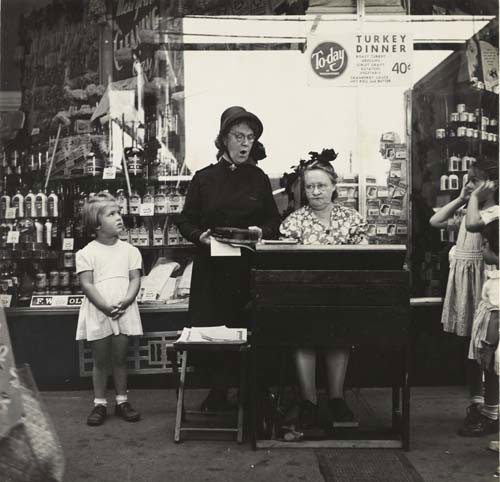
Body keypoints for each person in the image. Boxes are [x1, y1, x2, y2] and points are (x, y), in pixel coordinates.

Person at [175, 106, 281, 411]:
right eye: (238, 136)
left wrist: (261, 231)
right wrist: (200, 237)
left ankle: (252, 390)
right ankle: (218, 390)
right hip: (212, 270)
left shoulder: (259, 178)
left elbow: (274, 221)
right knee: (213, 330)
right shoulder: (204, 178)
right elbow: (185, 220)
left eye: (250, 137)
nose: (245, 143)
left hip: (247, 269)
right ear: (223, 139)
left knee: (248, 326)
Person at [279, 159, 367, 432]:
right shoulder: (293, 222)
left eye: (321, 185)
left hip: (342, 296)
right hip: (303, 296)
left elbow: (364, 257)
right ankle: (309, 401)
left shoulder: (353, 218)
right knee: (302, 338)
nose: (315, 191)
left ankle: (337, 398)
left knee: (339, 337)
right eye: (309, 187)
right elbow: (285, 263)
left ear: (333, 187)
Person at [429, 160, 498, 433]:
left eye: (474, 180)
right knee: (472, 349)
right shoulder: (469, 207)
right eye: (466, 179)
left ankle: (492, 410)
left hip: (486, 287)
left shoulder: (492, 214)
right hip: (466, 286)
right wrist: (461, 197)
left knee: (487, 352)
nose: (467, 184)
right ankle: (477, 402)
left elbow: (472, 226)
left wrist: (474, 200)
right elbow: (435, 221)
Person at [76, 192, 143, 426]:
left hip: (123, 307)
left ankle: (122, 400)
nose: (119, 218)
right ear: (96, 223)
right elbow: (87, 283)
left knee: (120, 357)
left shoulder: (130, 251)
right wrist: (104, 306)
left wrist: (126, 300)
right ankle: (100, 403)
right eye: (111, 214)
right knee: (101, 359)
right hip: (99, 308)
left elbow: (135, 279)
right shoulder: (86, 253)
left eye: (119, 213)